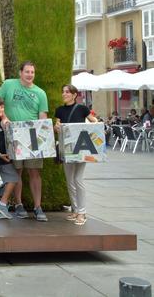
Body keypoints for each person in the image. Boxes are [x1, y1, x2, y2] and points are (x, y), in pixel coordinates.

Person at [0, 61, 49, 222]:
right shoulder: (8, 85)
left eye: (32, 72)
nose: (29, 75)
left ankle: (37, 206)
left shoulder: (40, 93)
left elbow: (43, 117)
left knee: (34, 172)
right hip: (14, 135)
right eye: (27, 72)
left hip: (33, 136)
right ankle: (19, 204)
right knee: (17, 171)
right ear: (20, 72)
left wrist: (43, 137)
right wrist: (4, 118)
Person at [54, 84, 98, 226]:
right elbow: (57, 126)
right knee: (70, 181)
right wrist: (56, 128)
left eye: (67, 92)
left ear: (74, 95)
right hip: (67, 148)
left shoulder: (82, 109)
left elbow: (94, 122)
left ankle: (82, 212)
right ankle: (75, 209)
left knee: (78, 179)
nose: (64, 94)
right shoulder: (59, 110)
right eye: (63, 91)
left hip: (80, 148)